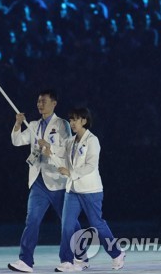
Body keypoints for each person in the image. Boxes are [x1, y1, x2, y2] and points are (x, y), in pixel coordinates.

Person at [8, 89, 73, 273]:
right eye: (38, 101)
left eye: (44, 101)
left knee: (69, 223)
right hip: (38, 181)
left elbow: (68, 149)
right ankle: (26, 261)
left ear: (54, 103)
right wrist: (18, 124)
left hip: (58, 181)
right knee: (32, 220)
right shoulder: (34, 125)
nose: (40, 104)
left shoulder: (62, 124)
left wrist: (50, 148)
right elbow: (17, 141)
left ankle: (71, 258)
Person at [55, 107, 125, 271]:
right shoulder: (70, 142)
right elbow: (57, 153)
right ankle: (67, 260)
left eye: (75, 119)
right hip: (72, 190)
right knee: (67, 225)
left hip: (91, 191)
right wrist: (47, 149)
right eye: (70, 119)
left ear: (84, 121)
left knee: (97, 224)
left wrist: (70, 173)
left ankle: (116, 254)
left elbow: (91, 166)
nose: (72, 123)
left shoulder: (93, 140)